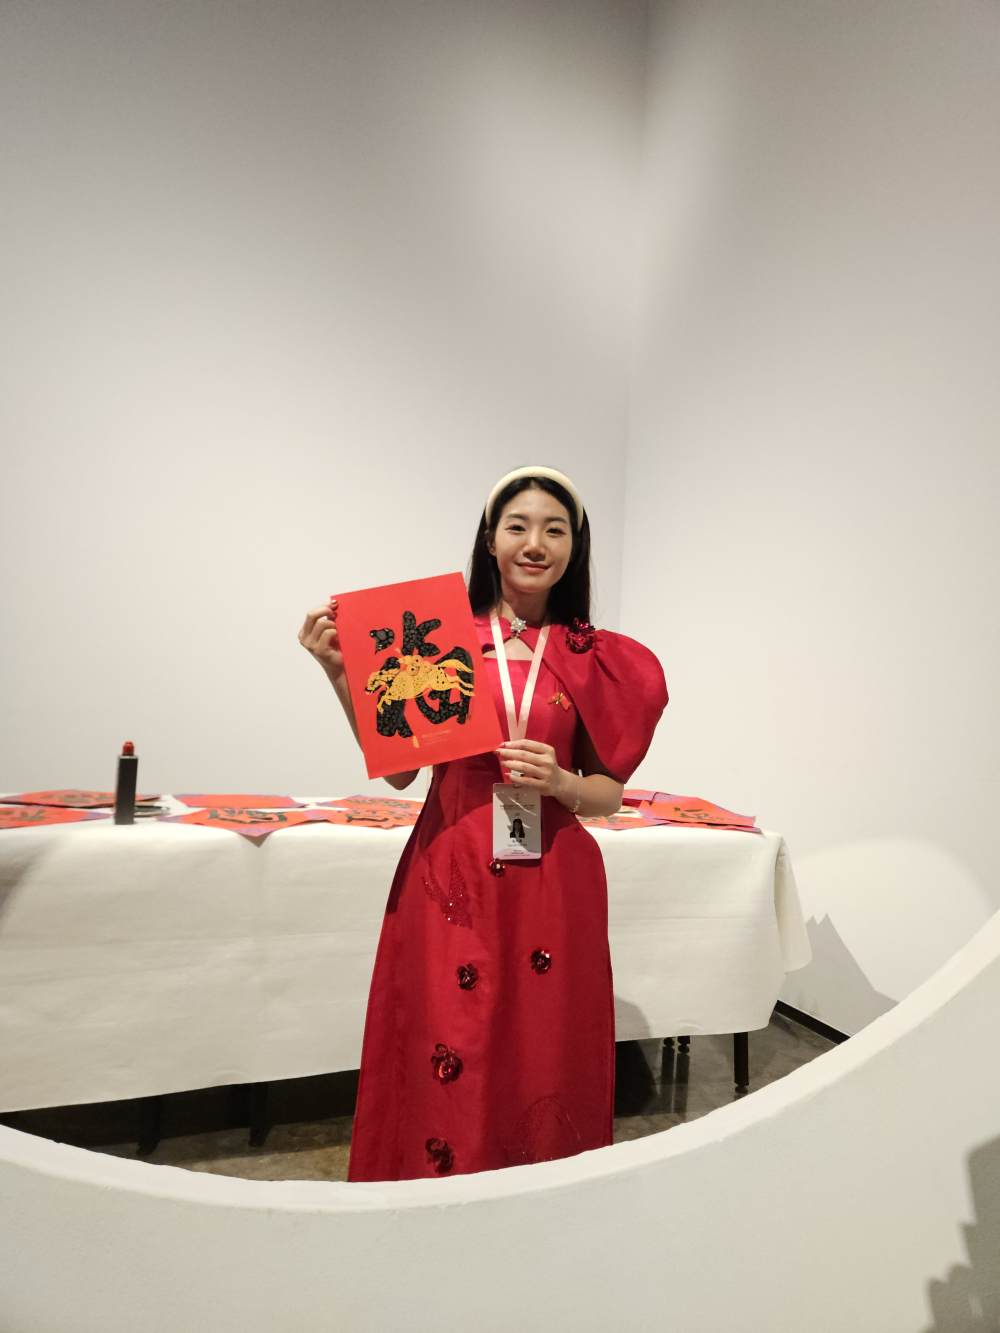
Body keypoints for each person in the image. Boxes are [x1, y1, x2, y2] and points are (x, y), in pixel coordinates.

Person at [298, 466, 668, 1180]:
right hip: (451, 871)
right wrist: (341, 676)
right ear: (490, 540)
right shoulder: (437, 640)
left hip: (551, 877)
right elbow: (401, 774)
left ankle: (535, 1198)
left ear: (575, 547)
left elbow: (607, 794)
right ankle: (439, 1189)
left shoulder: (597, 658)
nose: (535, 543)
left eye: (554, 530)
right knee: (450, 1036)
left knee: (540, 1045)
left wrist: (562, 782)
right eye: (518, 526)